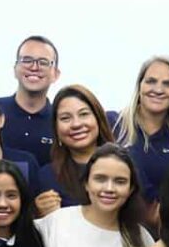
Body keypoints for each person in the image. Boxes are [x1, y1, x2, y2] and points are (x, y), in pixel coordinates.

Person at [112, 56, 169, 206]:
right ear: (140, 85)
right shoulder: (113, 124)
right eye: (151, 81)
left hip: (164, 227)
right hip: (112, 225)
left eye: (168, 84)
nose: (158, 89)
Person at [33, 85, 115, 216]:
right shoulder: (47, 176)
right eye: (65, 118)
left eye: (84, 114)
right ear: (56, 128)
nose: (76, 124)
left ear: (98, 118)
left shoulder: (125, 166)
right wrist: (39, 214)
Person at [0, 35, 61, 164]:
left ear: (55, 74)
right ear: (15, 69)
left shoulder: (61, 121)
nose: (34, 67)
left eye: (43, 62)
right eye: (27, 60)